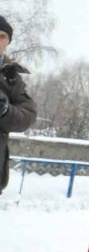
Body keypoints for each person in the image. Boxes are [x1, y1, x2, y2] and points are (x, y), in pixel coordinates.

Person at [0, 17, 38, 194]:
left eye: (1, 36)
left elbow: (28, 115)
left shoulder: (11, 78)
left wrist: (5, 111)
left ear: (8, 42)